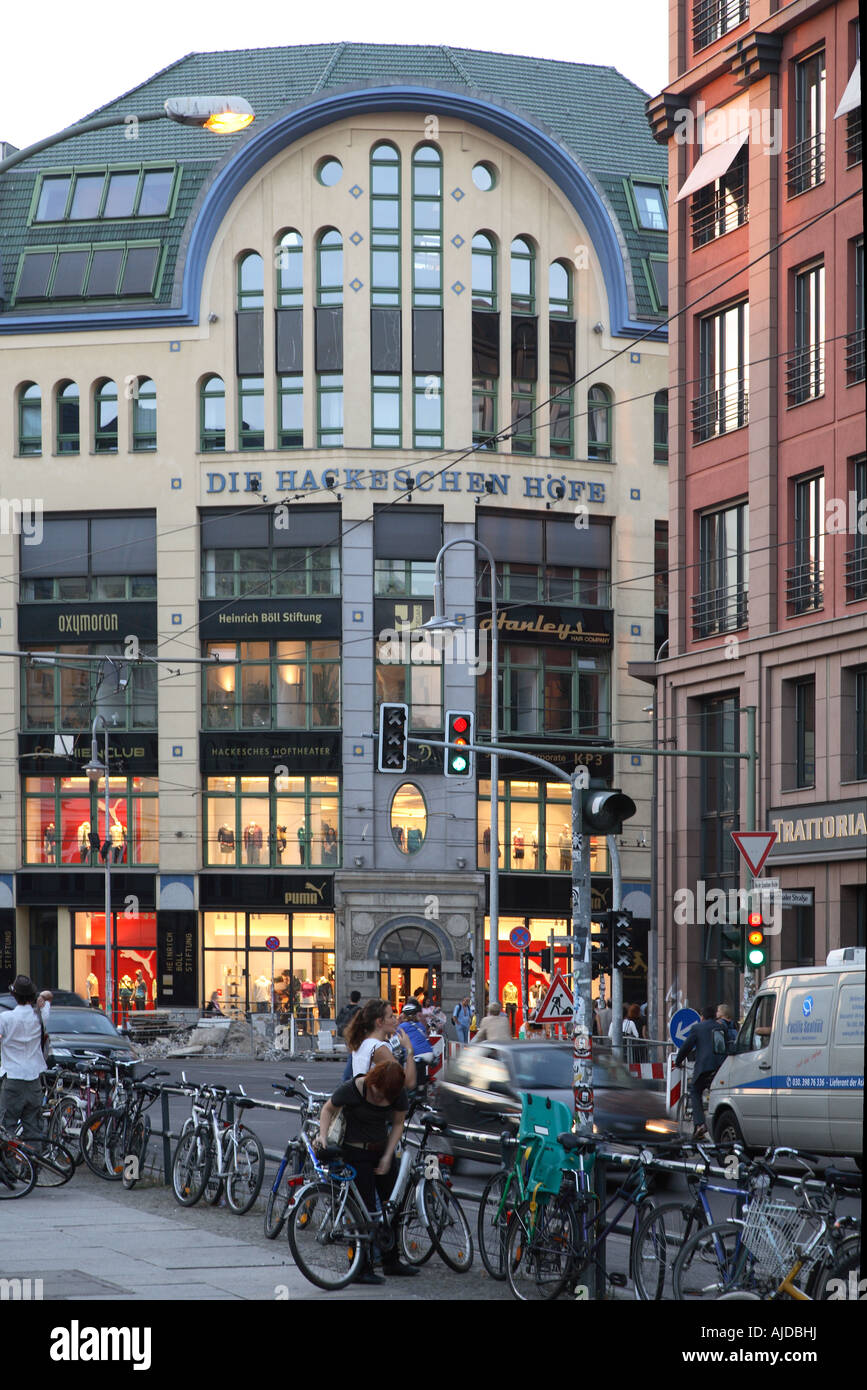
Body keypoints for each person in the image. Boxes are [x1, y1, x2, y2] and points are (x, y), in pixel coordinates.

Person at [315, 1058, 417, 1283]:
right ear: (372, 1081)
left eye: (385, 1096)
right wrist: (322, 1136)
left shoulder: (396, 1092)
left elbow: (398, 1123)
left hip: (381, 1151)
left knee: (392, 1206)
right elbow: (328, 1109)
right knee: (363, 1210)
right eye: (377, 1092)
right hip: (355, 1152)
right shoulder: (354, 1088)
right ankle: (360, 1267)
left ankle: (391, 1261)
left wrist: (389, 1156)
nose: (380, 1098)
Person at [0, 975, 52, 1141]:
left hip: (12, 1079)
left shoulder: (6, 1018)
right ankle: (33, 1165)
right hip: (34, 1080)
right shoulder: (40, 1016)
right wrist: (40, 998)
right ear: (32, 996)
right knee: (33, 1129)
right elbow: (49, 995)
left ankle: (9, 1165)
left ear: (14, 996)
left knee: (7, 1127)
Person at [672, 1004, 728, 1139]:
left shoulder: (697, 1028)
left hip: (704, 1068)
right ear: (715, 1015)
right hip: (720, 1067)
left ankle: (700, 1124)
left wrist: (678, 1062)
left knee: (695, 1091)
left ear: (702, 1017)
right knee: (718, 1093)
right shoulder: (721, 1027)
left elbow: (686, 1046)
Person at [342, 998, 417, 1090]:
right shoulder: (379, 1049)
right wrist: (409, 1050)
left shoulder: (362, 1042)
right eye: (391, 1017)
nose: (395, 1020)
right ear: (379, 1022)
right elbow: (409, 1082)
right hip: (376, 1102)